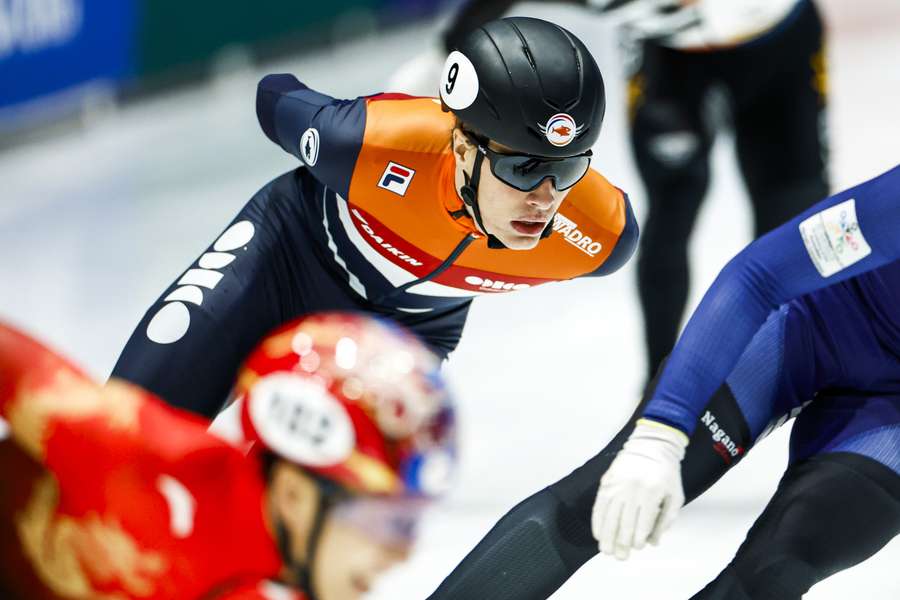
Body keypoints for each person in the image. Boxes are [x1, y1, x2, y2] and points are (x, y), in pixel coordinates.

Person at [111, 16, 638, 420]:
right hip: (282, 261)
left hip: (398, 337)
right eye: (521, 168)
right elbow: (274, 93)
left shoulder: (600, 236)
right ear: (461, 144)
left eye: (568, 168)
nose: (546, 197)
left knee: (291, 525)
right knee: (124, 434)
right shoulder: (368, 143)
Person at [427, 166, 900, 600]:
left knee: (775, 572)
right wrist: (660, 433)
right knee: (594, 504)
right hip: (809, 325)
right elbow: (758, 278)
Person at [390, 0, 830, 381]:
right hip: (674, 63)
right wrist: (441, 54)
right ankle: (660, 379)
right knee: (675, 206)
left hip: (779, 47)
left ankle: (798, 363)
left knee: (790, 216)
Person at [0, 312, 457, 600]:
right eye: (390, 522)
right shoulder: (137, 454)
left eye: (413, 522)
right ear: (295, 495)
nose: (403, 554)